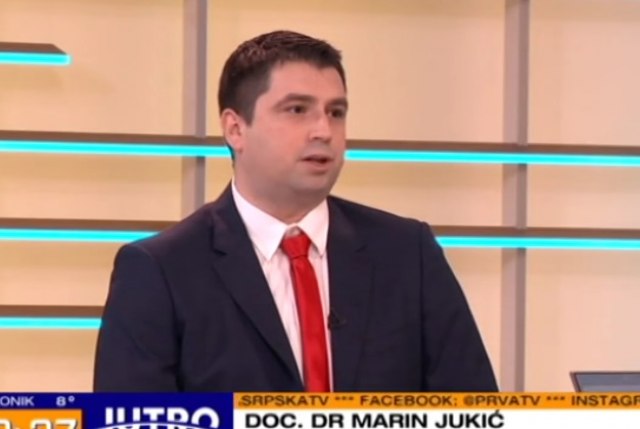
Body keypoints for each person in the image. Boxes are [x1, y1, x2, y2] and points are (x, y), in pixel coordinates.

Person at [93, 30, 498, 392]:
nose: (323, 131)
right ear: (235, 129)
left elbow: (475, 411)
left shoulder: (408, 253)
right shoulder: (160, 271)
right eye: (297, 110)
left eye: (336, 112)